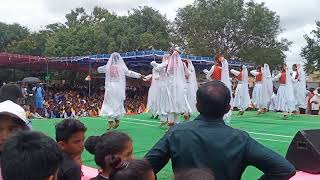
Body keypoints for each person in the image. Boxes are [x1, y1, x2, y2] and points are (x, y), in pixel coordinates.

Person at [145, 81, 296, 180]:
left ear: (197, 106)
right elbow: (285, 169)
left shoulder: (176, 132)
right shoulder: (240, 139)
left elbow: (143, 169)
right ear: (228, 109)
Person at [97, 52, 143, 130]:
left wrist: (101, 67)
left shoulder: (107, 67)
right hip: (119, 88)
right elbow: (129, 73)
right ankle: (117, 119)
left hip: (110, 87)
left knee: (109, 102)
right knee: (118, 102)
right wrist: (140, 75)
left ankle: (111, 120)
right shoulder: (121, 67)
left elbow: (99, 70)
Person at [203, 54, 232, 122]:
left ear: (216, 60)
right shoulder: (224, 67)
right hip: (223, 85)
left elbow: (208, 76)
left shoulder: (214, 67)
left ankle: (213, 113)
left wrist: (210, 78)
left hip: (215, 85)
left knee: (213, 99)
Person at [149, 54, 171, 127]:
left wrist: (155, 64)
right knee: (162, 101)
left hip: (164, 84)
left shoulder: (166, 63)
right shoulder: (166, 64)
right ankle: (165, 118)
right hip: (163, 84)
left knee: (165, 101)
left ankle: (167, 118)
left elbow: (158, 68)